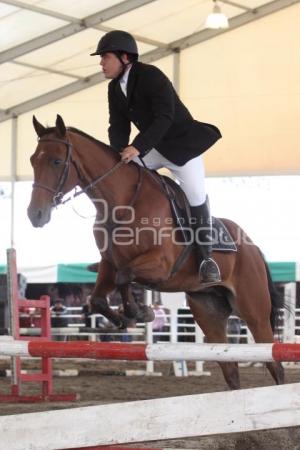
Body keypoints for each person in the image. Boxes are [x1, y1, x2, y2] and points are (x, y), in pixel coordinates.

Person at [90, 30, 222, 283]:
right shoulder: (114, 88)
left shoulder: (151, 76)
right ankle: (116, 252)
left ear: (125, 57)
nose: (101, 63)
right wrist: (118, 153)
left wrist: (137, 147)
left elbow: (165, 117)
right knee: (121, 177)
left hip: (182, 147)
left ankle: (207, 259)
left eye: (105, 57)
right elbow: (117, 125)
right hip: (152, 147)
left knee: (195, 195)